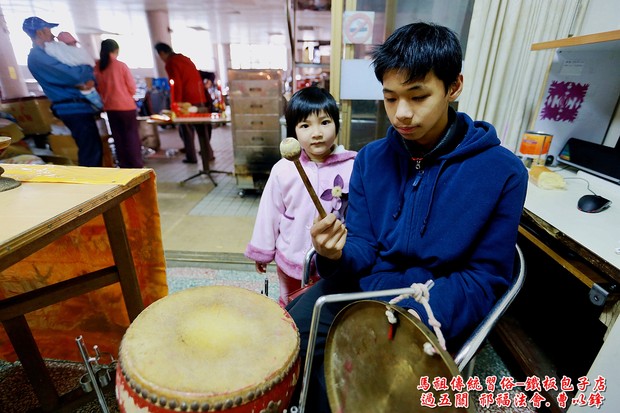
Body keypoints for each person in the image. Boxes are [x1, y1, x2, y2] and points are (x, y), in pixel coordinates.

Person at [286, 22, 528, 411]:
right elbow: (363, 246)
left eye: (418, 97)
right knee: (289, 341)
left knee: (377, 383)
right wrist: (335, 253)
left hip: (432, 304)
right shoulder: (371, 159)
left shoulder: (502, 173)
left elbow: (484, 279)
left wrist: (408, 314)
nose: (401, 114)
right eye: (390, 97)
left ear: (454, 87)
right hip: (365, 287)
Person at [245, 87, 357, 308]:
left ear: (337, 123)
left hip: (334, 257)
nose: (316, 133)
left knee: (326, 306)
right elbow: (270, 211)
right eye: (305, 125)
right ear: (293, 131)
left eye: (325, 122)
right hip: (291, 254)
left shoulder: (352, 166)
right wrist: (263, 250)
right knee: (290, 305)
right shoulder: (283, 169)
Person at [23, 17, 102, 167]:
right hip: (72, 108)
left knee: (92, 147)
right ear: (40, 32)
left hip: (79, 106)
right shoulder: (37, 57)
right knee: (90, 150)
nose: (53, 35)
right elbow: (74, 75)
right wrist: (87, 69)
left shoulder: (50, 52)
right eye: (49, 31)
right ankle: (92, 186)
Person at [154, 42, 213, 163]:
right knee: (202, 131)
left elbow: (177, 84)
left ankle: (191, 157)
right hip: (200, 99)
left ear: (161, 53)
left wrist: (176, 104)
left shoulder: (171, 62)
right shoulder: (185, 59)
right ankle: (209, 155)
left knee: (186, 130)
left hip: (186, 102)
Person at [94, 39, 144, 168]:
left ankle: (124, 165)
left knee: (118, 138)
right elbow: (132, 87)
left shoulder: (98, 67)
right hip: (126, 107)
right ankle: (136, 165)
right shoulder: (120, 65)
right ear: (116, 50)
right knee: (131, 136)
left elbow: (98, 89)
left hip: (110, 108)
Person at [43, 31, 104, 113]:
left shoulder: (60, 55)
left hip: (81, 92)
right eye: (71, 43)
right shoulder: (64, 55)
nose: (73, 46)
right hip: (78, 97)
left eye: (74, 43)